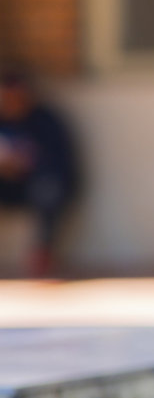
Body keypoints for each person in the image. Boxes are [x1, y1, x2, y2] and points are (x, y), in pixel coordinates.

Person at [0, 66, 81, 278]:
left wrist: (24, 165)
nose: (12, 102)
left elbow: (61, 165)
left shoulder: (46, 121)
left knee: (48, 191)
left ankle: (42, 255)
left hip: (39, 184)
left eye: (17, 96)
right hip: (7, 186)